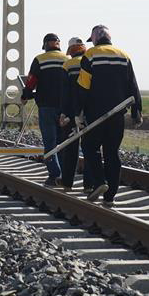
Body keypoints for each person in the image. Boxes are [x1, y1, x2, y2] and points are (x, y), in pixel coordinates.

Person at [72, 25, 142, 207]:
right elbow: (133, 85)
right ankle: (110, 195)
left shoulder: (91, 55)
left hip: (95, 113)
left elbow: (83, 87)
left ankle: (100, 181)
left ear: (95, 38)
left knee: (89, 147)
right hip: (118, 113)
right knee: (112, 152)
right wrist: (137, 111)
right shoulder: (123, 55)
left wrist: (77, 112)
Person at [21, 33, 68, 187]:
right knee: (64, 142)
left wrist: (26, 95)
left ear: (45, 45)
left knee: (50, 142)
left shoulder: (40, 59)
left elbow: (31, 81)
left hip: (47, 106)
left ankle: (54, 175)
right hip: (65, 108)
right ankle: (64, 175)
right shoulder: (67, 59)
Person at [59, 37, 92, 193]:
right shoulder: (91, 61)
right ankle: (89, 184)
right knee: (90, 148)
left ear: (71, 51)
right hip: (91, 112)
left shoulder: (67, 65)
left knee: (71, 148)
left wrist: (63, 113)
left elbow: (64, 92)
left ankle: (67, 182)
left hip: (72, 113)